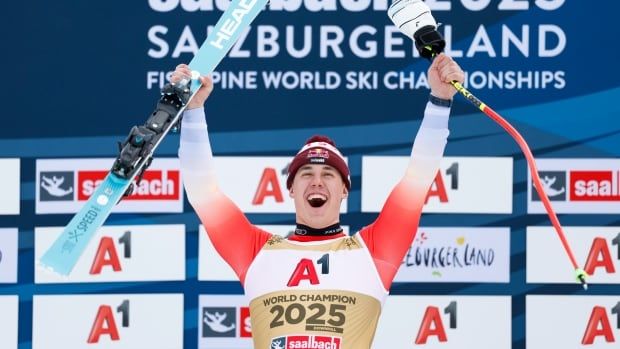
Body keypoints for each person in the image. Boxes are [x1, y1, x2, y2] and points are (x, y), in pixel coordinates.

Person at [175, 54, 464, 348]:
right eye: (306, 173)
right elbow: (203, 192)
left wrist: (440, 102)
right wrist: (193, 110)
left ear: (344, 191)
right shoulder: (256, 251)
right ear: (290, 189)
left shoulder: (374, 250)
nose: (316, 181)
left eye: (328, 174)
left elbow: (417, 179)